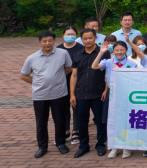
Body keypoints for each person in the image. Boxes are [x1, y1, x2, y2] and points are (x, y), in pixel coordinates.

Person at [20, 31, 73, 158]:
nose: (47, 43)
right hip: (40, 95)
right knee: (41, 122)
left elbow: (69, 68)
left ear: (54, 41)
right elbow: (23, 75)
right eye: (44, 41)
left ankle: (61, 143)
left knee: (59, 120)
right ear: (40, 42)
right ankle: (42, 146)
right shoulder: (32, 58)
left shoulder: (63, 53)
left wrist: (58, 79)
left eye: (50, 40)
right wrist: (37, 82)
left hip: (59, 93)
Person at [92, 40, 137, 158]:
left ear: (126, 50)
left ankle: (127, 147)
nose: (119, 52)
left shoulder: (132, 64)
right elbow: (94, 66)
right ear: (113, 51)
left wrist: (122, 71)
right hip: (112, 94)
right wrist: (101, 52)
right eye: (117, 50)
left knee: (126, 119)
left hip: (126, 94)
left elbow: (135, 79)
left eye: (122, 50)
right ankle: (115, 146)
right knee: (113, 120)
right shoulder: (108, 62)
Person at [70, 28, 110, 158]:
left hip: (98, 92)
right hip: (81, 93)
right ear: (81, 40)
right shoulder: (77, 55)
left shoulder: (103, 53)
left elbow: (107, 73)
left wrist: (105, 90)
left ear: (95, 38)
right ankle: (83, 146)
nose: (88, 40)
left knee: (100, 120)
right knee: (82, 121)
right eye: (85, 38)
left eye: (90, 38)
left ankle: (100, 145)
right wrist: (72, 94)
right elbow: (74, 76)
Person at [57, 26, 84, 145]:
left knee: (76, 106)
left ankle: (76, 131)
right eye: (67, 34)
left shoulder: (81, 48)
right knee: (63, 107)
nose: (70, 36)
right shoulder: (58, 49)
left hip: (77, 81)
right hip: (61, 81)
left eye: (72, 34)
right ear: (63, 35)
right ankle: (66, 130)